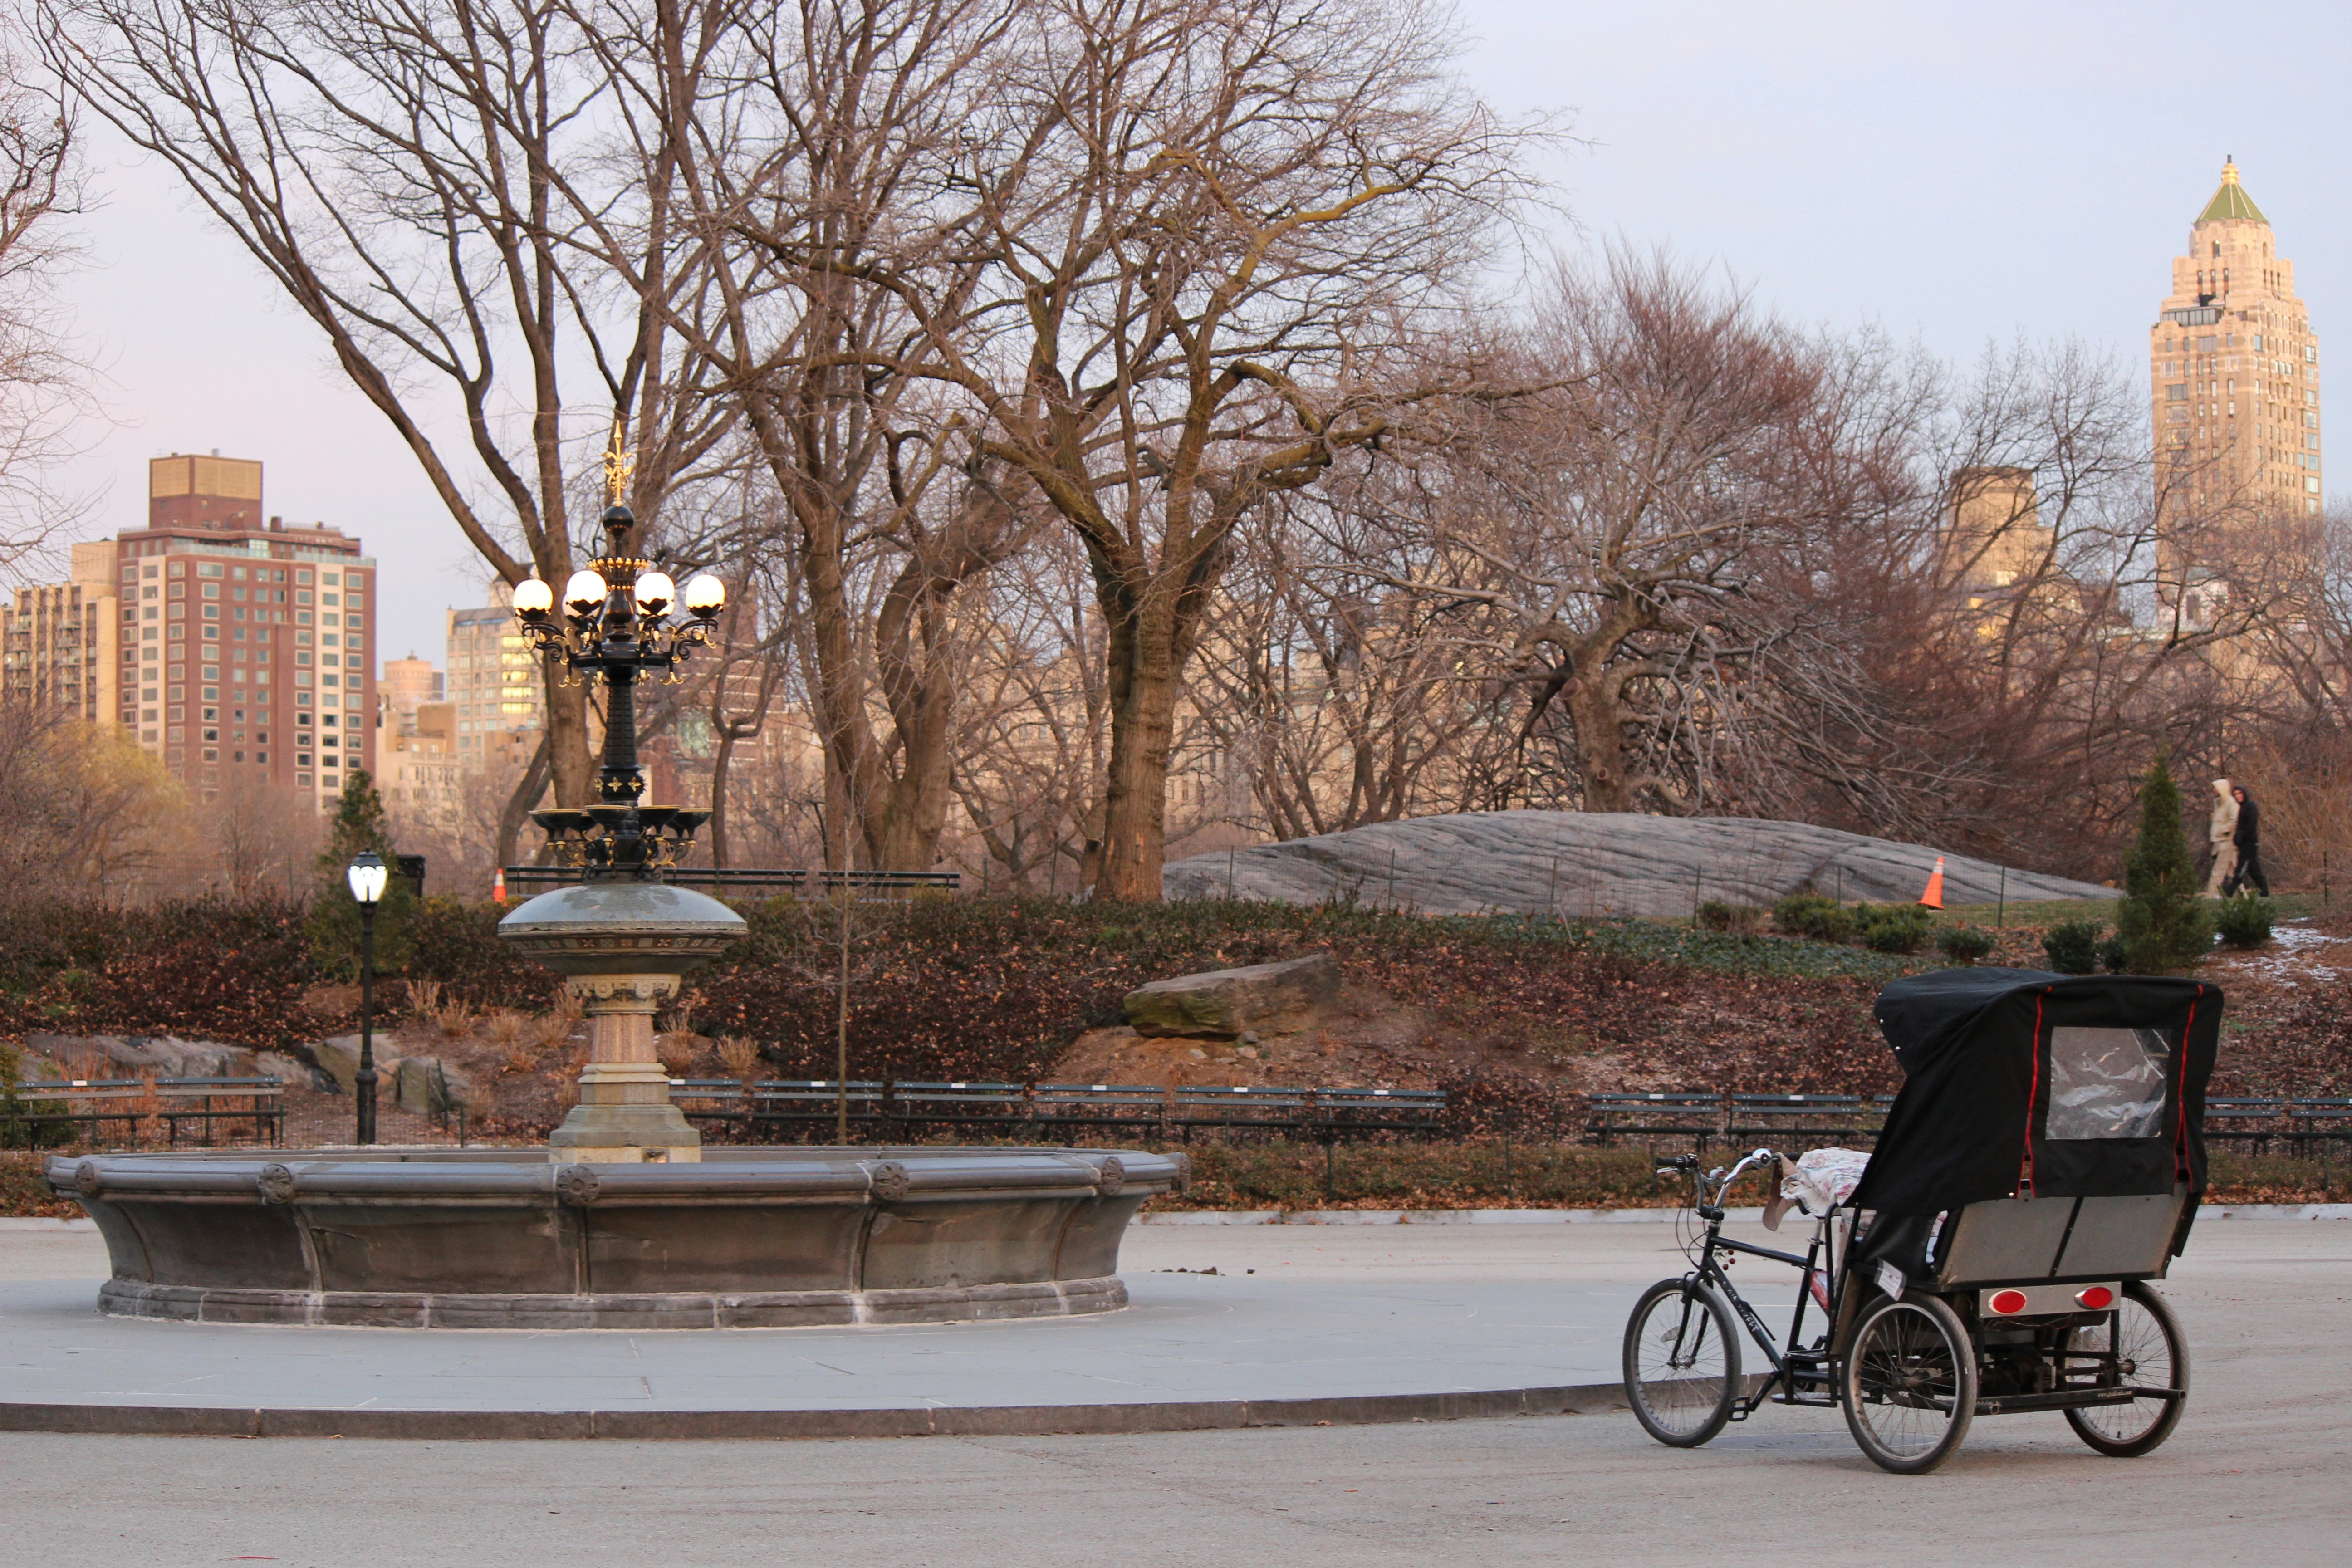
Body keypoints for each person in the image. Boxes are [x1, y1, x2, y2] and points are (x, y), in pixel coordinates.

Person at [2223, 784, 2269, 897]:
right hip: (2243, 844)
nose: (2238, 796)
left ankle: (2230, 891)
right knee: (2253, 869)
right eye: (2236, 795)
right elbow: (2240, 826)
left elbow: (2251, 825)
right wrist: (2237, 837)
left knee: (2241, 868)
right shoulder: (2242, 808)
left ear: (2245, 794)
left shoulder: (2250, 806)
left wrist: (2241, 836)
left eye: (2240, 794)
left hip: (2249, 844)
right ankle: (2264, 890)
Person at [2204, 778, 2239, 897]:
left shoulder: (2231, 803)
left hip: (2227, 842)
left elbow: (2235, 821)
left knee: (2218, 871)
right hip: (2220, 841)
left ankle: (2212, 895)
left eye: (2216, 788)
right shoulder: (2219, 804)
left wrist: (2223, 830)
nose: (2213, 790)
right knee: (2232, 872)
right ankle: (2242, 896)